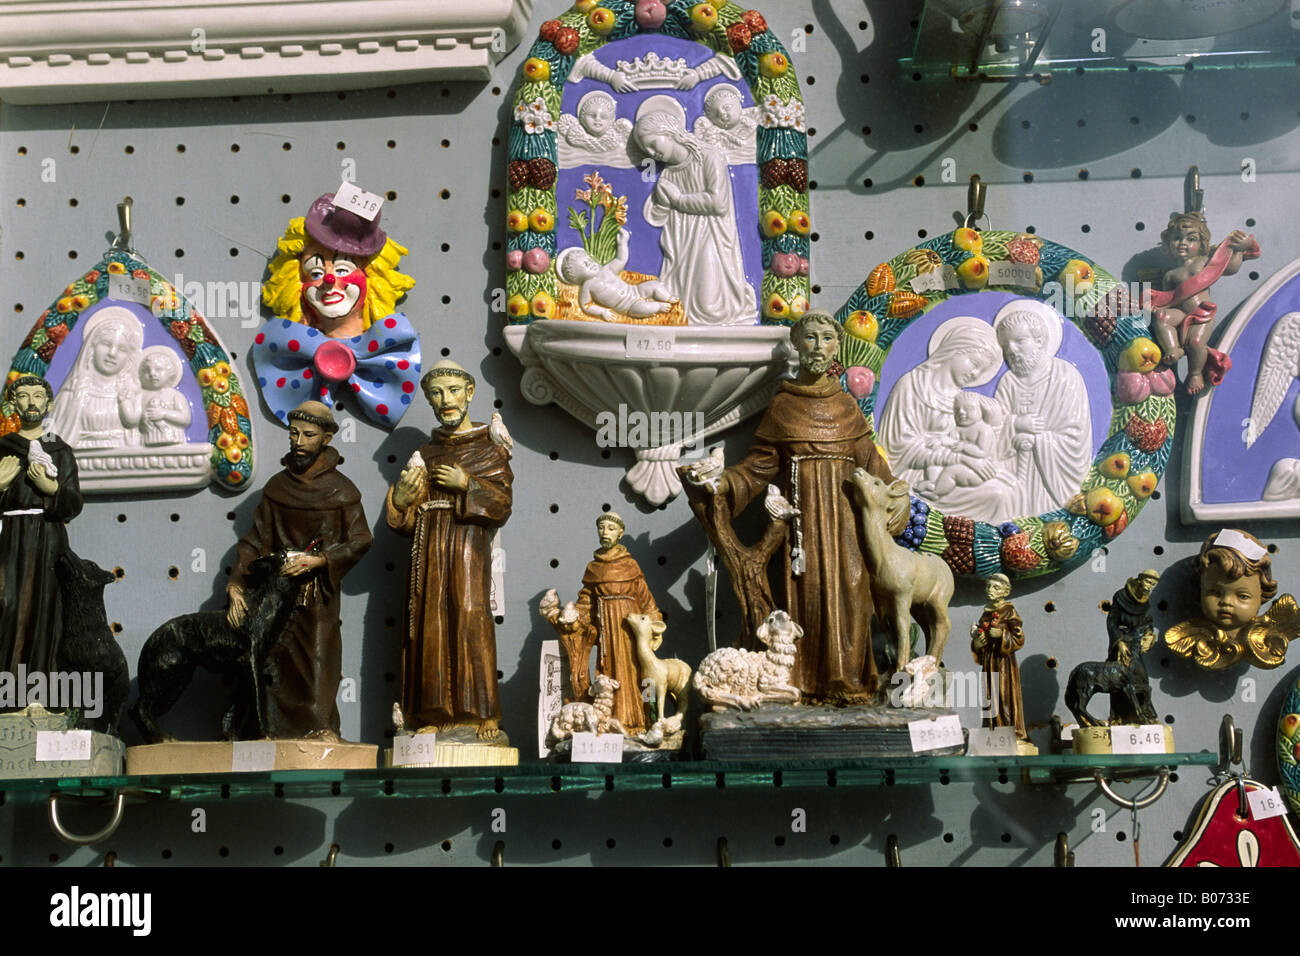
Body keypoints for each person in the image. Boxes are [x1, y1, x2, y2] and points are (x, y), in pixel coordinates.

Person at [685, 310, 901, 701]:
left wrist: (897, 495)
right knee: (806, 599)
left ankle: (851, 683)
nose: (818, 346)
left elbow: (873, 467)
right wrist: (725, 483)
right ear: (796, 346)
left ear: (837, 346)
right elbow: (758, 467)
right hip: (802, 530)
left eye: (826, 339)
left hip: (848, 528)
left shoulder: (848, 408)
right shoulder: (783, 407)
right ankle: (803, 683)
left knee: (852, 595)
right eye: (810, 338)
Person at [227, 401, 371, 739]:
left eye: (308, 434)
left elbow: (361, 539)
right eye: (293, 433)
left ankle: (320, 728)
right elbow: (254, 540)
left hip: (315, 596)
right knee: (272, 663)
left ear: (327, 438)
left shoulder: (341, 490)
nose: (299, 441)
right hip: (274, 596)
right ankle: (269, 731)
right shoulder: (277, 487)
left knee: (318, 661)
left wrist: (320, 560)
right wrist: (235, 584)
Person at [386, 361, 513, 740]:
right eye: (436, 394)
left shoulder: (489, 450)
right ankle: (435, 712)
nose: (446, 400)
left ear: (469, 393)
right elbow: (406, 518)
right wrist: (401, 502)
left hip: (468, 548)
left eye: (453, 391)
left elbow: (502, 505)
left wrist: (466, 483)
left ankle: (483, 714)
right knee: (432, 625)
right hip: (430, 551)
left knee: (471, 618)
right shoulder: (425, 453)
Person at [633, 98, 756, 327]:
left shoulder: (710, 157)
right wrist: (661, 201)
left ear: (670, 132)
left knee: (709, 305)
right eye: (645, 150)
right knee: (679, 301)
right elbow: (659, 217)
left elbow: (718, 203)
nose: (651, 153)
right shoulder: (668, 174)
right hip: (682, 246)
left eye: (653, 144)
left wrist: (679, 200)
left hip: (712, 238)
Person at [878, 318, 1008, 519]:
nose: (975, 374)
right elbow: (896, 448)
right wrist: (958, 458)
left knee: (1005, 488)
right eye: (974, 364)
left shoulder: (963, 401)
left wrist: (995, 424)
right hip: (917, 476)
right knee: (995, 496)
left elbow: (981, 442)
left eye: (981, 371)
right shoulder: (911, 386)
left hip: (956, 473)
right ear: (955, 350)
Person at [543, 513, 661, 733]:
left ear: (620, 533)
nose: (605, 533)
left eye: (610, 528)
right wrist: (573, 616)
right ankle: (610, 721)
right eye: (602, 528)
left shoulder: (631, 566)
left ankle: (640, 722)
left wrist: (655, 626)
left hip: (631, 631)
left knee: (637, 674)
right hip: (607, 632)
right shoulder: (593, 568)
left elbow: (646, 601)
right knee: (609, 675)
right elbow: (586, 603)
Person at [0, 376, 83, 681]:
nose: (31, 402)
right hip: (8, 535)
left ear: (49, 404)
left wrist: (50, 488)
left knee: (47, 607)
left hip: (48, 538)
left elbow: (74, 502)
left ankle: (41, 690)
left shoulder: (59, 450)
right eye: (23, 396)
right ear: (13, 404)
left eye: (38, 396)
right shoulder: (2, 447)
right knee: (7, 603)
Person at [992, 303, 1092, 517]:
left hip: (1053, 478)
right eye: (1006, 345)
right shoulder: (1008, 381)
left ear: (1039, 341)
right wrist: (1015, 425)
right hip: (1014, 473)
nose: (1012, 350)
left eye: (1019, 341)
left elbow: (1076, 436)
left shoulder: (1065, 376)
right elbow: (994, 429)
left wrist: (1038, 441)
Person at [1149, 213, 1259, 394]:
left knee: (1196, 342)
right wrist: (1155, 307)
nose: (1182, 243)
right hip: (1180, 313)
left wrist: (1239, 249)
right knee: (1161, 317)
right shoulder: (1171, 274)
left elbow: (1230, 268)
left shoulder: (1204, 262)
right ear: (1169, 244)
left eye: (1190, 239)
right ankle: (1173, 348)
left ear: (1201, 244)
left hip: (1202, 313)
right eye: (1177, 238)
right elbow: (1168, 299)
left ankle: (1195, 373)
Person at [49, 307, 143, 449]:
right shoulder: (73, 392)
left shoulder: (131, 393)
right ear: (92, 348)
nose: (112, 353)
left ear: (129, 358)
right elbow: (50, 436)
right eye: (106, 344)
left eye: (122, 349)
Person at [557, 230, 676, 321]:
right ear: (577, 277)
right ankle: (659, 306)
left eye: (589, 259)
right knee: (645, 308)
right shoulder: (588, 286)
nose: (590, 263)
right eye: (585, 265)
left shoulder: (606, 269)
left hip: (636, 291)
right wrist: (602, 312)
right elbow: (586, 305)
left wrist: (622, 243)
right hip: (629, 306)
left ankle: (668, 297)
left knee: (654, 285)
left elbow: (621, 259)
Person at [970, 573, 1027, 741]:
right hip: (989, 662)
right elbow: (980, 642)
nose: (990, 590)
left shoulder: (1009, 612)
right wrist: (977, 644)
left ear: (1005, 592)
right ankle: (991, 729)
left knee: (1005, 696)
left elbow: (1019, 638)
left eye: (996, 587)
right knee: (990, 697)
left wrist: (1001, 634)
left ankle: (1009, 730)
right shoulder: (986, 613)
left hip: (1004, 663)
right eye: (988, 586)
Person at [129, 346, 191, 446]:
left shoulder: (175, 395)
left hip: (173, 440)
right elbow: (135, 419)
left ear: (170, 372)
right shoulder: (142, 396)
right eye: (147, 370)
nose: (152, 373)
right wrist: (143, 420)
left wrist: (163, 413)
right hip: (147, 441)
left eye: (158, 369)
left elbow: (185, 418)